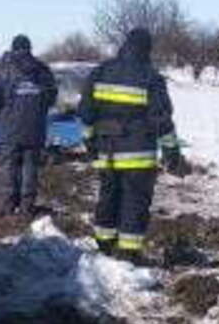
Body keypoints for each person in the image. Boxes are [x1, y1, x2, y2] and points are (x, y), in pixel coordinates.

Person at [76, 28, 187, 262]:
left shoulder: (101, 71)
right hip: (138, 154)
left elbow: (86, 113)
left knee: (108, 197)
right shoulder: (151, 77)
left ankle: (104, 244)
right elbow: (161, 119)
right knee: (134, 202)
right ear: (147, 49)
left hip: (106, 151)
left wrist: (89, 141)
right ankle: (128, 252)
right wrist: (172, 152)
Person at [0, 34, 58, 214]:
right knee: (30, 166)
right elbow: (51, 98)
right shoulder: (42, 70)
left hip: (8, 128)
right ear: (29, 49)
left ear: (12, 48)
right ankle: (27, 205)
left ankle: (8, 204)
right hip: (35, 128)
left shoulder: (3, 70)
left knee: (8, 166)